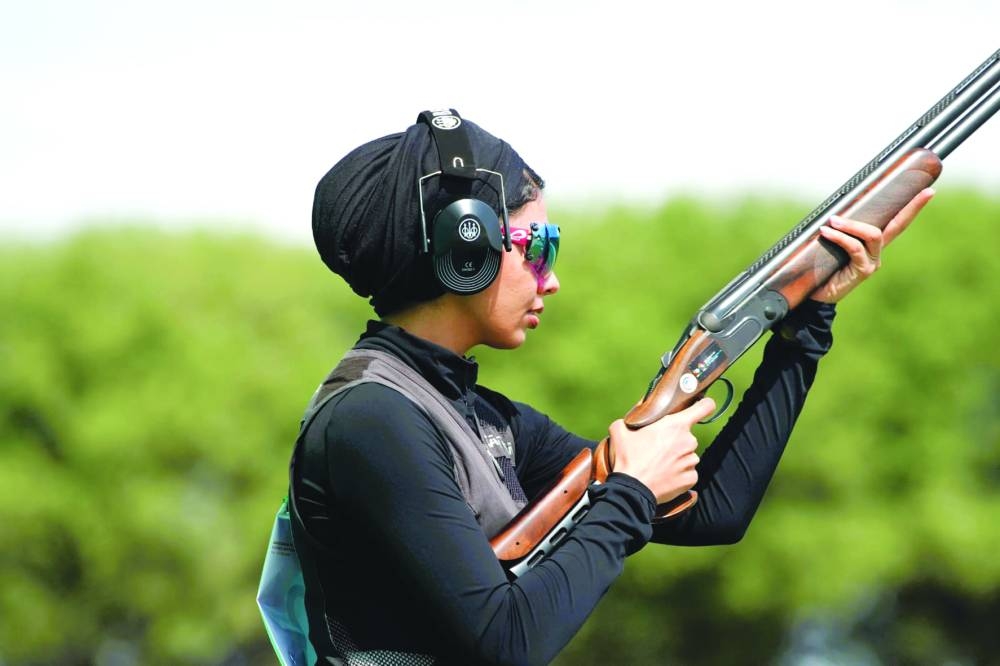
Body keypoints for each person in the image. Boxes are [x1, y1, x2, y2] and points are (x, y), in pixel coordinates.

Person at [288, 109, 933, 665]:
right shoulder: (370, 419)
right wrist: (628, 492)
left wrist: (805, 327)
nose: (551, 278)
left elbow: (715, 511)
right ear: (469, 247)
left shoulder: (481, 416)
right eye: (537, 246)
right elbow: (506, 640)